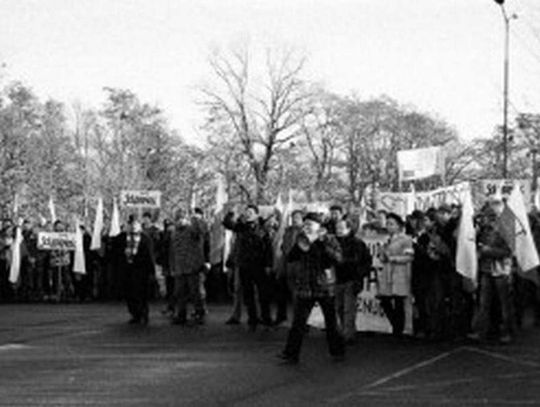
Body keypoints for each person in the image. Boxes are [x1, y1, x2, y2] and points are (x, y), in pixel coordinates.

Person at [278, 212, 344, 365]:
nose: (306, 226)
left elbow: (337, 259)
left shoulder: (329, 239)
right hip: (305, 286)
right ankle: (290, 353)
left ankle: (337, 351)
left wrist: (320, 243)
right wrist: (300, 245)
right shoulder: (301, 238)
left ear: (319, 226)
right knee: (298, 322)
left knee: (331, 321)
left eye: (310, 224)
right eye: (305, 224)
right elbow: (291, 257)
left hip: (324, 286)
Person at [223, 204, 273, 331]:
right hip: (245, 265)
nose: (248, 214)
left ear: (256, 214)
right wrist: (230, 213)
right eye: (246, 212)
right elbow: (228, 224)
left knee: (263, 294)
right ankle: (252, 319)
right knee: (248, 294)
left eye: (251, 212)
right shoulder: (241, 227)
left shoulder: (263, 228)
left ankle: (266, 319)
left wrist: (268, 264)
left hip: (259, 265)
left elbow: (268, 248)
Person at [469, 204, 514, 343]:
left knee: (504, 304)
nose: (486, 218)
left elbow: (508, 251)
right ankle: (482, 331)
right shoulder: (483, 231)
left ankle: (506, 332)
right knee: (484, 303)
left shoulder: (506, 230)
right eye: (485, 215)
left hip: (501, 271)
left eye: (489, 215)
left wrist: (487, 250)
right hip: (486, 269)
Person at [335, 218, 372, 344]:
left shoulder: (357, 244)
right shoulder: (333, 242)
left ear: (348, 229)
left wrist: (358, 275)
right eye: (337, 228)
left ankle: (348, 334)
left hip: (351, 279)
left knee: (348, 308)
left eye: (341, 228)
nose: (338, 230)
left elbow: (365, 262)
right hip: (337, 279)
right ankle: (345, 330)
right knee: (339, 307)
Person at [377, 213, 414, 337]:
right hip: (387, 273)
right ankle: (396, 325)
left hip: (400, 273)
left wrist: (393, 258)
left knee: (399, 301)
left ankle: (399, 329)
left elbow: (409, 257)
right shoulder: (386, 239)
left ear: (398, 226)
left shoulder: (406, 239)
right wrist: (382, 254)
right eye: (387, 223)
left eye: (392, 224)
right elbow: (382, 258)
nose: (389, 226)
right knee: (385, 299)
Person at [169, 209, 207, 325]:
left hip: (192, 266)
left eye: (182, 219)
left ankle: (199, 313)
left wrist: (196, 219)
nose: (180, 221)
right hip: (180, 266)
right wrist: (173, 266)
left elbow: (202, 231)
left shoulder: (192, 230)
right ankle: (181, 315)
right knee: (180, 293)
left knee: (195, 292)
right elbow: (172, 251)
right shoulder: (174, 233)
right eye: (178, 219)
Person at [117, 217, 155, 325]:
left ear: (139, 226)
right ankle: (135, 314)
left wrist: (152, 271)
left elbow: (150, 256)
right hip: (127, 270)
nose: (133, 226)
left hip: (141, 270)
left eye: (135, 224)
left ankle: (144, 313)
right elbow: (117, 253)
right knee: (129, 294)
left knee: (142, 293)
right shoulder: (121, 238)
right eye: (131, 224)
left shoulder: (145, 239)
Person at [274, 210, 304, 325]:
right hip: (285, 265)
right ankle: (281, 316)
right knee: (281, 292)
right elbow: (283, 247)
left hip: (297, 266)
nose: (295, 219)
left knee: (296, 295)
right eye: (293, 217)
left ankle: (299, 320)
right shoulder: (287, 231)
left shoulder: (304, 232)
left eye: (297, 217)